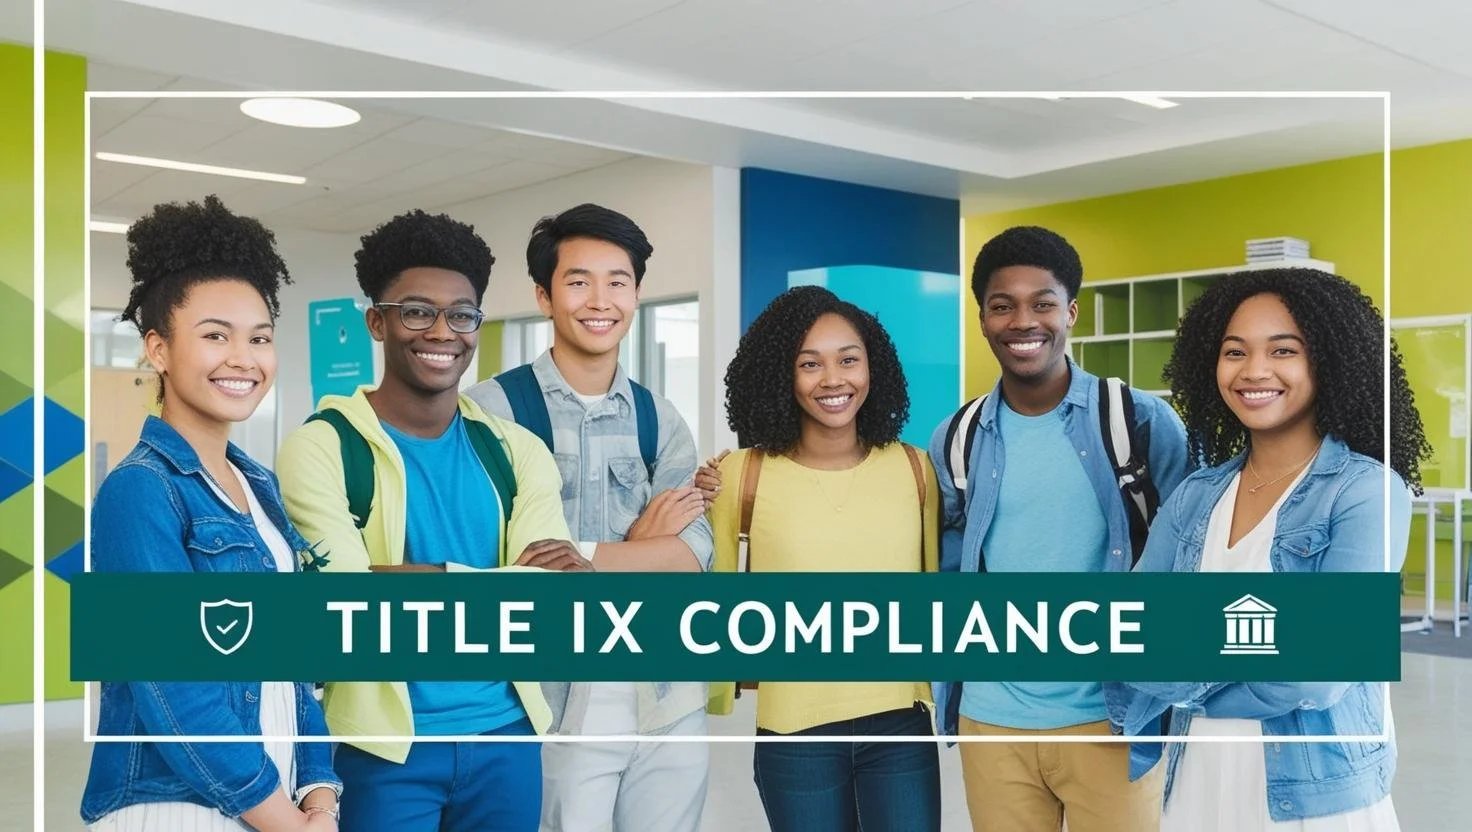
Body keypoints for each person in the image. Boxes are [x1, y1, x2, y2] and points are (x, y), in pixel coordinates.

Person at [276, 209, 582, 832]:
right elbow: (347, 606)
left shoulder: (516, 451)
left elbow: (548, 604)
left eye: (461, 315)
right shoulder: (322, 447)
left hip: (507, 736)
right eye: (417, 311)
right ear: (377, 322)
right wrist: (496, 579)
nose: (442, 332)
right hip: (382, 747)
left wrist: (406, 578)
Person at [1120, 268, 1426, 831]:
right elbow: (1130, 629)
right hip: (1196, 780)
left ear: (1327, 362)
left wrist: (1191, 677)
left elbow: (1318, 671)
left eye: (1282, 350)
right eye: (1235, 351)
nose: (1254, 371)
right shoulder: (1196, 494)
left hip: (1315, 797)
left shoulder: (1367, 493)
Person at [80, 195, 342, 830]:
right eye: (215, 336)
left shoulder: (259, 488)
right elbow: (175, 689)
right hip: (180, 808)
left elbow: (298, 665)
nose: (242, 358)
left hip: (273, 804)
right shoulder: (138, 491)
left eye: (259, 338)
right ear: (158, 349)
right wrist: (283, 818)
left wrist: (320, 793)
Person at [928, 226, 1188, 832]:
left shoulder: (1139, 421)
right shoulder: (958, 438)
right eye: (1003, 305)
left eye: (1042, 303)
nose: (1024, 321)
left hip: (1114, 716)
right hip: (992, 721)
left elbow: (1187, 559)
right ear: (984, 319)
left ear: (1071, 311)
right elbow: (946, 567)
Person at [465, 203, 714, 832]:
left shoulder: (662, 418)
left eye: (618, 281)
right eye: (578, 281)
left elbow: (689, 559)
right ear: (545, 296)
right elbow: (496, 564)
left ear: (636, 294)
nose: (599, 299)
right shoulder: (490, 410)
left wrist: (585, 556)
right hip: (549, 705)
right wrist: (639, 544)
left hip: (665, 700)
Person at [704, 285, 942, 831]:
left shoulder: (915, 468)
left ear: (872, 368)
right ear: (780, 376)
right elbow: (713, 594)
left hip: (900, 727)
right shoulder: (741, 474)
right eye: (809, 364)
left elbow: (934, 591)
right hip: (795, 734)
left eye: (848, 360)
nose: (833, 380)